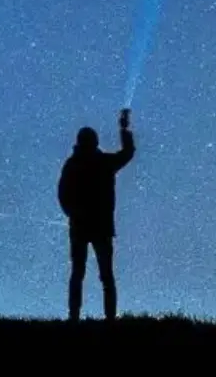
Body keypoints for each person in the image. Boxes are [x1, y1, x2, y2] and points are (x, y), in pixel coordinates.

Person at [57, 107, 136, 322]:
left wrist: (73, 214)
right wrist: (124, 129)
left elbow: (62, 194)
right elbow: (127, 153)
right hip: (97, 225)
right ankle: (106, 318)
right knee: (102, 275)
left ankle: (76, 317)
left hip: (83, 226)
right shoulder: (101, 163)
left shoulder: (74, 164)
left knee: (82, 273)